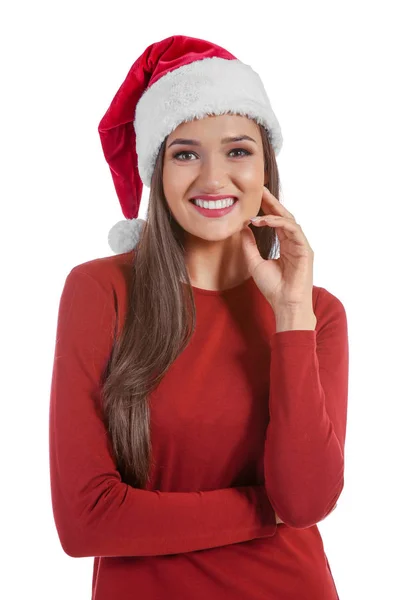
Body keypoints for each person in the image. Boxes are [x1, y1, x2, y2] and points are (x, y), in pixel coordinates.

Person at [49, 34, 348, 600]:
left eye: (238, 151)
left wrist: (290, 316)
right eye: (186, 153)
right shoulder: (100, 291)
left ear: (267, 169)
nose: (213, 179)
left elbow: (306, 502)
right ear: (157, 170)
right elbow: (85, 520)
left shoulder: (316, 313)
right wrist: (267, 511)